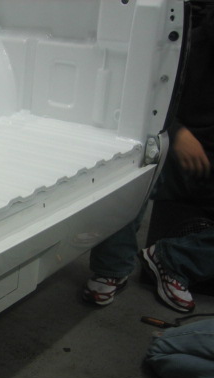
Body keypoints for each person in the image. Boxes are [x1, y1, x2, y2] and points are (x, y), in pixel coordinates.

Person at [83, 7, 214, 313]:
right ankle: (112, 268)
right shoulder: (187, 47)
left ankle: (173, 258)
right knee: (133, 172)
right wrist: (177, 132)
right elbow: (144, 94)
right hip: (177, 146)